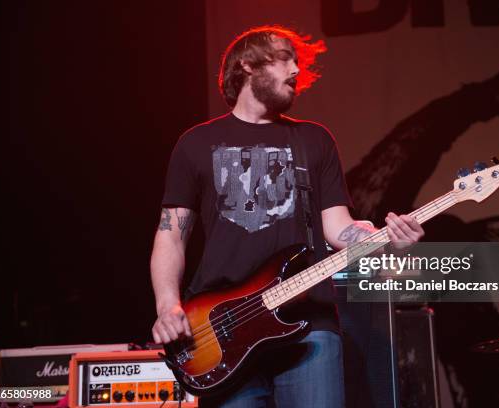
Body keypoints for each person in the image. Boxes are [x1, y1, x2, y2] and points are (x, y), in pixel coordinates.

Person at [150, 25, 424, 407]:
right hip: (223, 328)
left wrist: (384, 240)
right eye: (285, 59)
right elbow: (171, 235)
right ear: (247, 64)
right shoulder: (196, 143)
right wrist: (168, 305)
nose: (296, 70)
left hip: (308, 325)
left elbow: (338, 229)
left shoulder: (314, 139)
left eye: (298, 63)